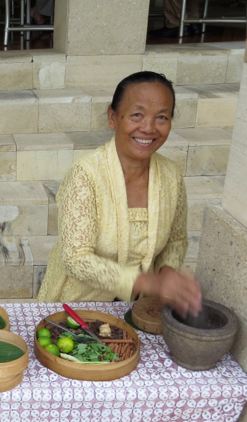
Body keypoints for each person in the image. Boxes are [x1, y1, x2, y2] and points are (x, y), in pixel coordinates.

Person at [37, 71, 202, 318]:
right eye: (137, 114)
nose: (148, 127)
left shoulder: (171, 176)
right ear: (113, 117)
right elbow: (76, 259)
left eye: (161, 117)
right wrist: (149, 283)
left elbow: (175, 240)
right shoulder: (86, 175)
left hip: (140, 311)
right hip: (75, 311)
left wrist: (168, 272)